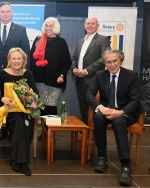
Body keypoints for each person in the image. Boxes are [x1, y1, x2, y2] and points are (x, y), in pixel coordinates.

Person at [85, 49, 140, 186]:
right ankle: (102, 158)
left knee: (118, 122)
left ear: (120, 61)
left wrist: (121, 112)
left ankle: (126, 166)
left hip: (124, 113)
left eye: (115, 61)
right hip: (106, 111)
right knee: (98, 118)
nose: (112, 64)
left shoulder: (131, 76)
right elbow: (89, 95)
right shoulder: (100, 75)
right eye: (108, 62)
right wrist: (101, 108)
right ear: (105, 64)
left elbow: (135, 100)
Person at [0, 2, 30, 141]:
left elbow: (26, 51)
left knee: (14, 100)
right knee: (1, 100)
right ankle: (3, 129)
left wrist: (25, 71)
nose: (5, 14)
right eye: (2, 12)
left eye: (8, 11)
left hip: (15, 73)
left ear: (12, 13)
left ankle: (13, 130)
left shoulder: (20, 29)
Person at [0, 47, 38, 176]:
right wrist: (2, 98)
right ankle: (24, 163)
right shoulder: (2, 73)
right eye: (14, 58)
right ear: (9, 60)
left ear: (24, 60)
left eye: (19, 58)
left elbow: (36, 94)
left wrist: (28, 97)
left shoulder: (28, 73)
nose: (17, 61)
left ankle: (16, 159)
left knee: (24, 122)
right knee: (19, 121)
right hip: (10, 111)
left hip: (26, 110)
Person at [30, 17, 72, 141]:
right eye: (46, 25)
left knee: (51, 108)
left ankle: (50, 134)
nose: (48, 28)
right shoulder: (38, 40)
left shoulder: (61, 42)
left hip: (55, 81)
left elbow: (67, 62)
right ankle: (43, 133)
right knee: (42, 107)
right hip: (38, 80)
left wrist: (62, 75)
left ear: (56, 27)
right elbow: (32, 61)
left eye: (51, 26)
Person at [71, 16, 110, 125]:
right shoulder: (80, 41)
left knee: (94, 107)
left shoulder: (103, 39)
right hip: (80, 80)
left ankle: (95, 134)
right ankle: (87, 134)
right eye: (88, 23)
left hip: (94, 80)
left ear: (98, 26)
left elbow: (104, 58)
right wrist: (74, 69)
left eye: (93, 23)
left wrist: (86, 71)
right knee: (83, 106)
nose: (90, 26)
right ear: (84, 26)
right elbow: (74, 58)